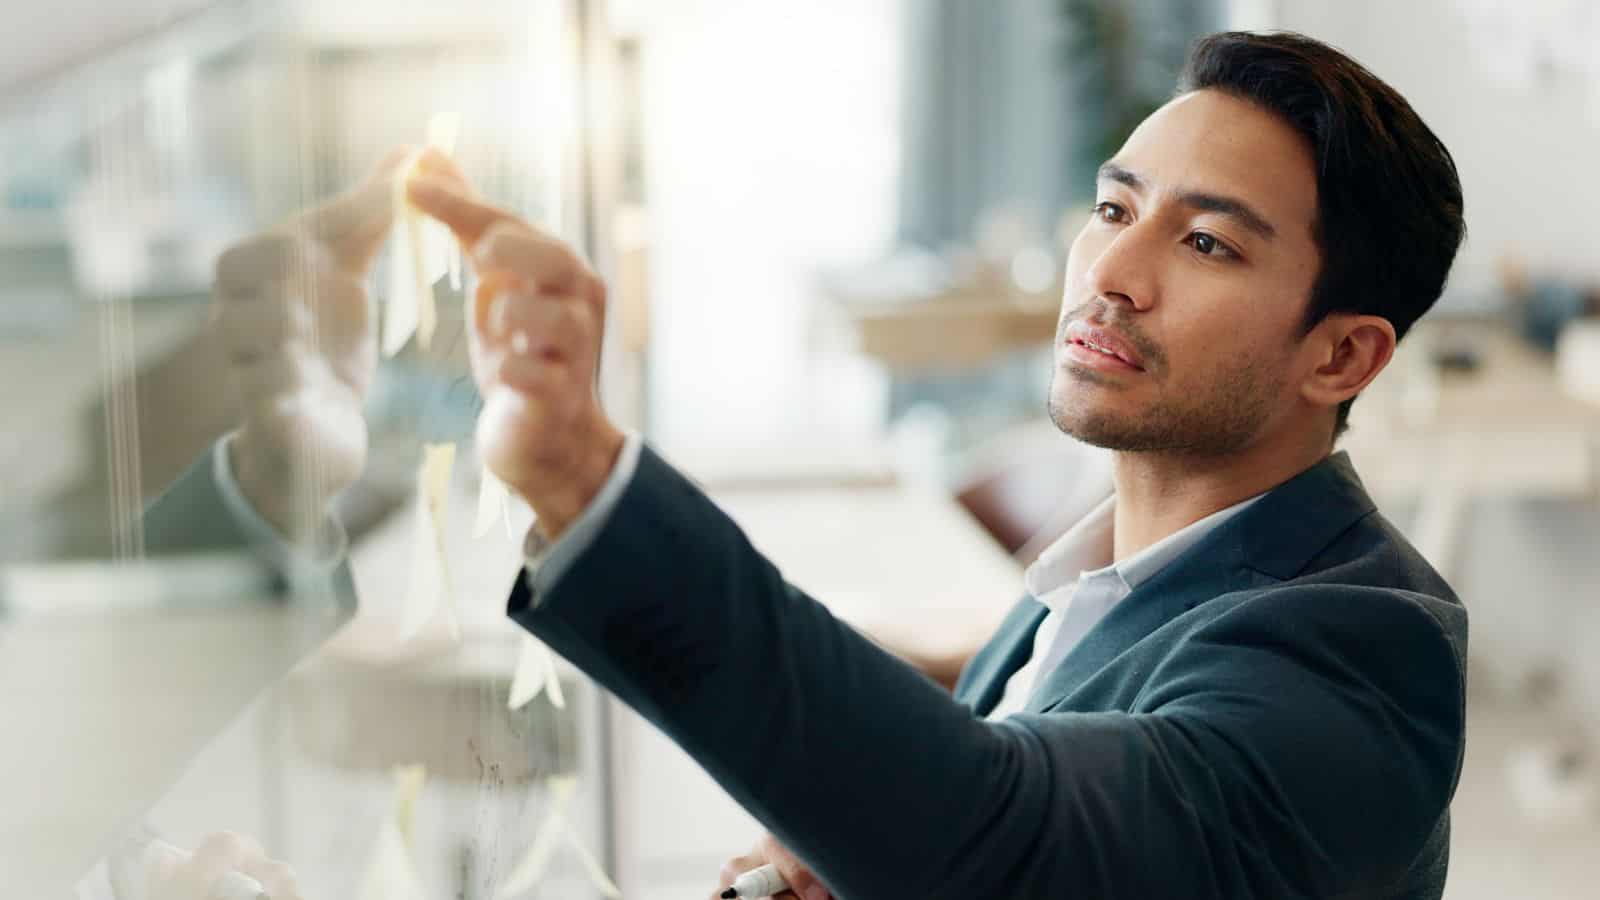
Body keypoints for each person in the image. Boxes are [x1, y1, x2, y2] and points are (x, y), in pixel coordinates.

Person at [154, 29, 1468, 900]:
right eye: (1117, 207)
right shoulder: (1107, 577)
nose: (1112, 272)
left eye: (1210, 246)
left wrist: (580, 473)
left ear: (1340, 359)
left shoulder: (1362, 664)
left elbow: (1012, 836)